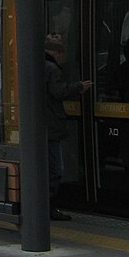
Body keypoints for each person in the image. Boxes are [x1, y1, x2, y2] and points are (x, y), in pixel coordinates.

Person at [44, 33, 91, 221]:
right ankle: (49, 207)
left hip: (42, 127)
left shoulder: (35, 64)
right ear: (55, 52)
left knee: (48, 168)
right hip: (51, 127)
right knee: (56, 170)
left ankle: (45, 206)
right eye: (61, 52)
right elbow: (59, 91)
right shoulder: (52, 69)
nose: (63, 57)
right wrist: (79, 87)